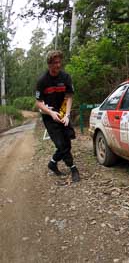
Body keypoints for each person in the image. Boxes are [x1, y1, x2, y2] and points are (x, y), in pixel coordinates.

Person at [35, 50, 80, 182]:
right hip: (49, 116)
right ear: (49, 64)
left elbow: (69, 96)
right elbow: (38, 102)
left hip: (62, 112)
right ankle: (73, 168)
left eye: (60, 62)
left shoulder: (65, 77)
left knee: (68, 141)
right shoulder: (42, 81)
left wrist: (67, 114)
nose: (58, 65)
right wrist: (50, 113)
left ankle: (52, 163)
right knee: (61, 144)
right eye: (55, 63)